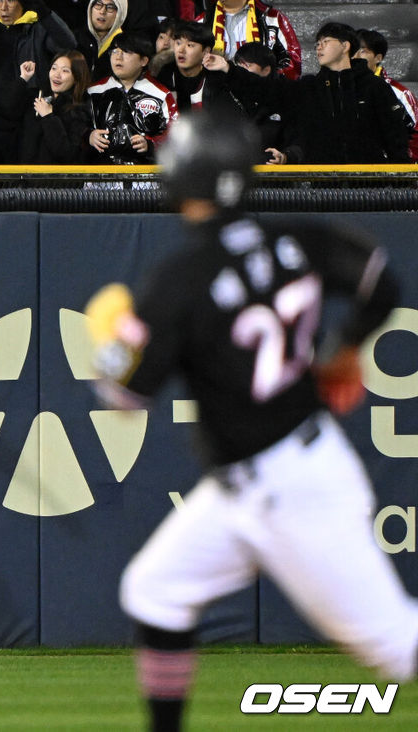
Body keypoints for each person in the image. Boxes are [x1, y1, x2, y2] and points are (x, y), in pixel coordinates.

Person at [84, 108, 418, 732]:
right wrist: (345, 350)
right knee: (154, 590)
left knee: (399, 647)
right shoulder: (297, 238)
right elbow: (381, 283)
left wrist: (109, 344)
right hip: (259, 479)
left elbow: (125, 400)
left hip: (289, 486)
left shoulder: (181, 278)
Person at [203, 22, 411, 165]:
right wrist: (229, 69)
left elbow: (395, 137)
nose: (318, 47)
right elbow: (265, 89)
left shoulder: (375, 87)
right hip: (321, 186)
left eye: (325, 42)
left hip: (371, 186)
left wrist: (401, 180)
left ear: (345, 46)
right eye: (317, 43)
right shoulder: (308, 87)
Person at [0, 0, 76, 163]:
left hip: (26, 117)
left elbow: (68, 45)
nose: (4, 7)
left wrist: (44, 12)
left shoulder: (38, 27)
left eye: (11, 1)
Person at [87, 31, 176, 164]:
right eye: (115, 51)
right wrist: (88, 136)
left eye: (126, 52)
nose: (118, 57)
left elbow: (174, 133)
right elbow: (77, 126)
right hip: (100, 175)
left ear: (144, 60)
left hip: (144, 178)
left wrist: (151, 145)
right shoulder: (93, 91)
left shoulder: (161, 94)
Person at [0, 49, 92, 164]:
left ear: (77, 77)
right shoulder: (37, 96)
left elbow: (66, 153)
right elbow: (5, 111)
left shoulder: (79, 110)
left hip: (53, 180)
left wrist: (49, 117)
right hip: (24, 176)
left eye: (65, 71)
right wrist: (23, 79)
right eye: (54, 68)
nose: (57, 75)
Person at [354, 28, 418, 164]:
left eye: (363, 50)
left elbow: (415, 135)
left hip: (387, 173)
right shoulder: (340, 88)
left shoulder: (399, 93)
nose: (356, 56)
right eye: (352, 50)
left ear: (378, 57)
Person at [193, 0, 300, 80]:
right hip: (218, 98)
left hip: (261, 97)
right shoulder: (202, 22)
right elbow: (190, 67)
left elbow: (293, 63)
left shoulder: (272, 18)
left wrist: (265, 81)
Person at [152, 21, 233, 114]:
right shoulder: (163, 76)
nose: (181, 50)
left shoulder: (217, 79)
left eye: (189, 45)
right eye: (178, 43)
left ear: (205, 52)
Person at [75, 0, 126, 81]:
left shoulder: (126, 47)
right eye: (98, 4)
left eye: (110, 7)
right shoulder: (76, 39)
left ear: (120, 13)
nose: (102, 11)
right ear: (90, 8)